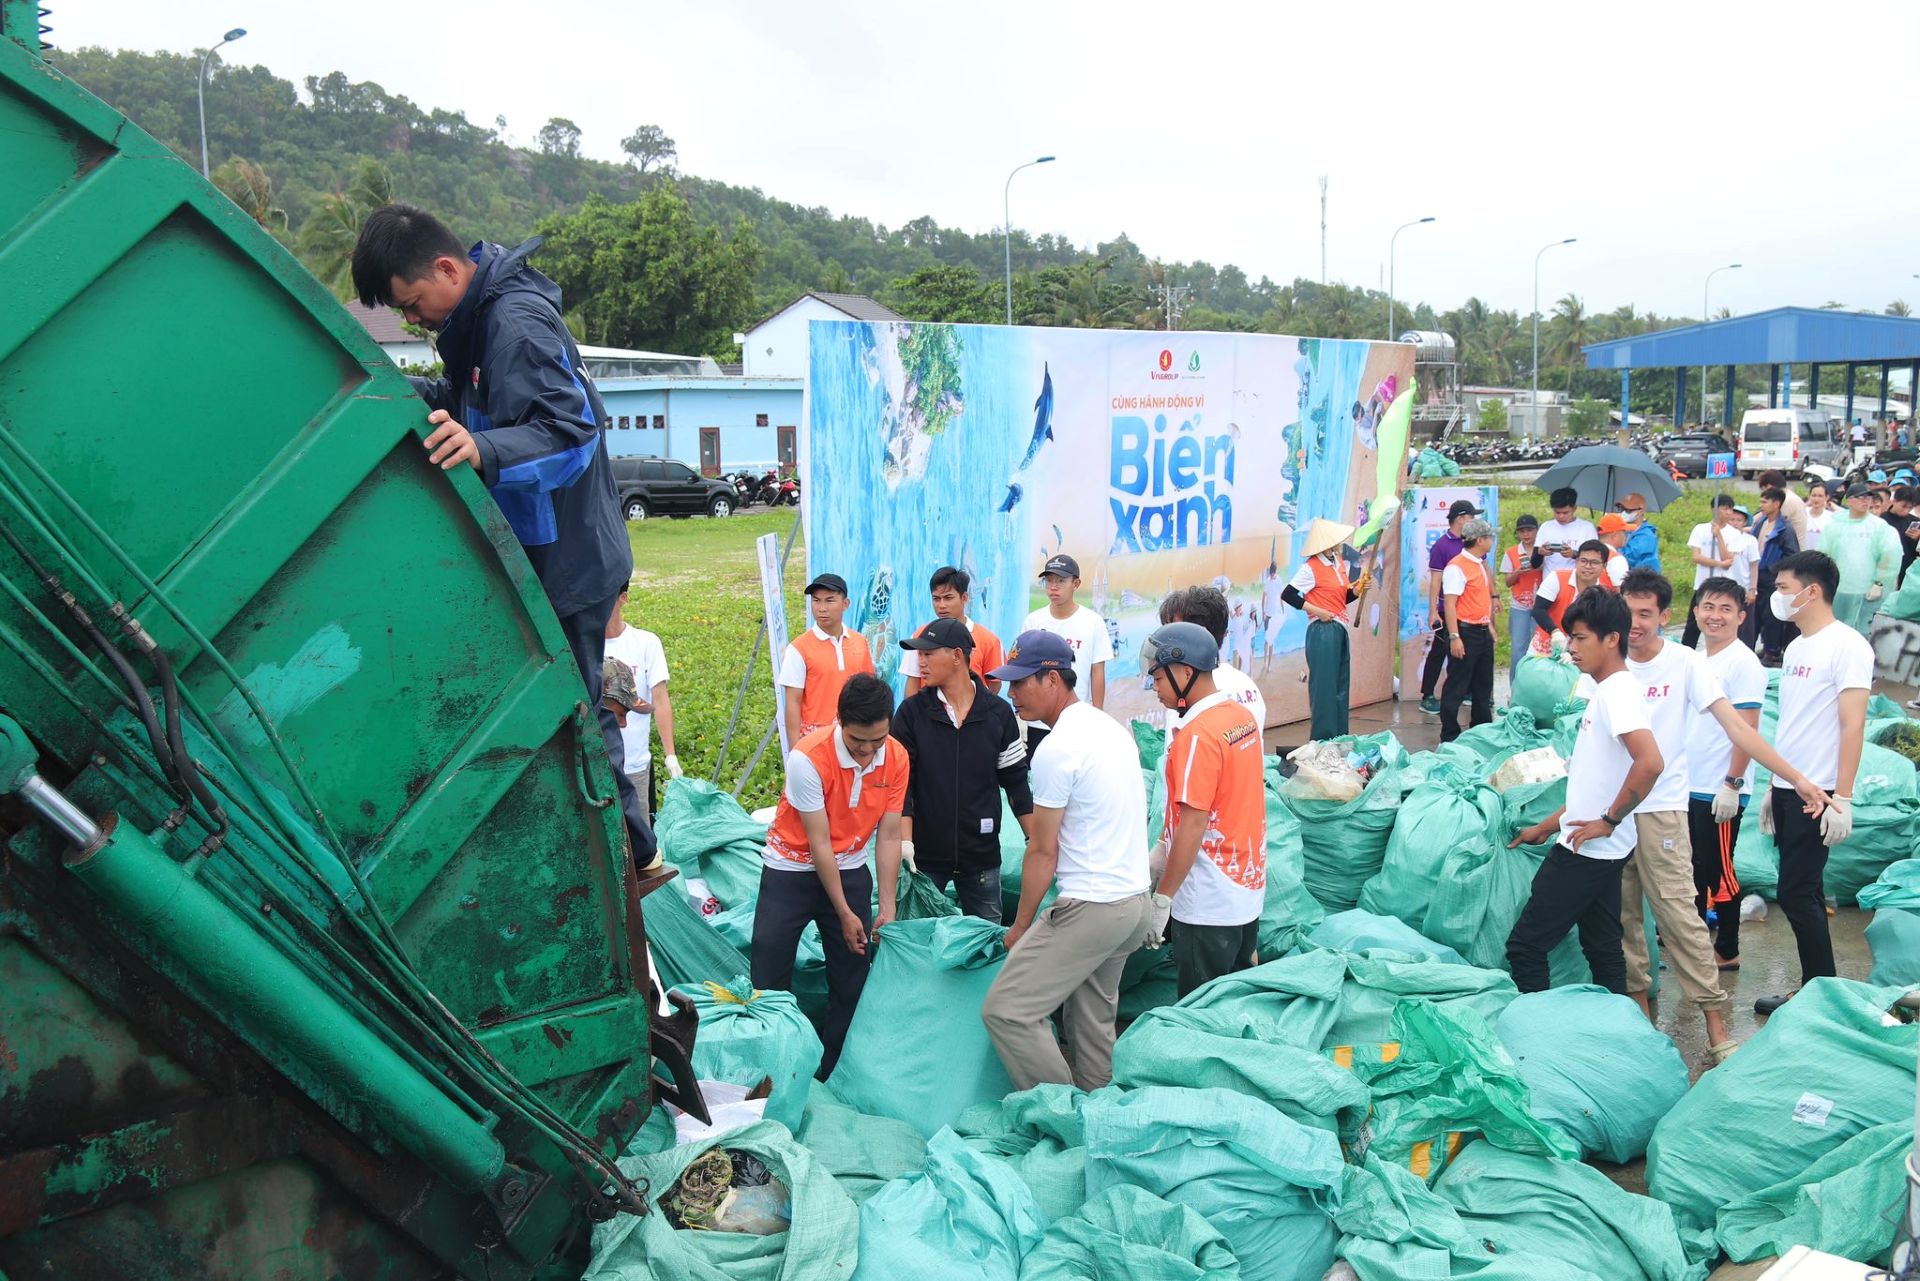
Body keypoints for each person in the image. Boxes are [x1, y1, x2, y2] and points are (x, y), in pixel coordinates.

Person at [353, 203, 649, 863]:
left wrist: (484, 450)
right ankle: (618, 843)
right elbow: (473, 406)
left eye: (410, 303)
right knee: (574, 700)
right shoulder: (476, 323)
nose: (411, 319)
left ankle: (626, 851)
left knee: (577, 709)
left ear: (448, 268)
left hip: (571, 559)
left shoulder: (513, 324)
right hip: (547, 556)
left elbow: (571, 435)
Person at [1614, 569, 1826, 1063]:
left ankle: (1716, 1016)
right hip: (1619, 813)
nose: (1636, 624)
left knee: (1687, 909)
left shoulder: (1690, 663)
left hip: (1675, 803)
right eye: (1629, 614)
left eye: (1646, 614)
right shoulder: (1610, 664)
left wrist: (1790, 778)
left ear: (1665, 617)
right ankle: (1643, 1022)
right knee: (1627, 921)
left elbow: (1742, 728)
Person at [982, 632, 1155, 1091]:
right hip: (1133, 901)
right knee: (1091, 1018)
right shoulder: (1109, 728)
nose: (1012, 693)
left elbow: (1042, 849)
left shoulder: (1057, 749)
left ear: (1052, 678)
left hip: (1093, 906)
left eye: (1020, 683)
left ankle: (1064, 1112)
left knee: (1007, 1009)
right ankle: (1098, 1114)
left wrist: (1019, 927)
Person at [1505, 590, 1659, 997]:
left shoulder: (1619, 694)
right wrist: (1545, 825)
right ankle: (1616, 1025)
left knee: (1525, 947)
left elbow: (1650, 763)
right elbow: (1597, 781)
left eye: (1580, 638)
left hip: (1586, 851)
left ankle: (1536, 1036)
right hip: (1595, 845)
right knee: (1603, 947)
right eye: (1570, 638)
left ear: (1612, 639)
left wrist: (1608, 821)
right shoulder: (1603, 690)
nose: (1571, 649)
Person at [752, 673, 906, 1073]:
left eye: (877, 741)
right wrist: (843, 912)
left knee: (852, 972)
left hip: (852, 866)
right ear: (839, 721)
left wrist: (885, 905)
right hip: (792, 867)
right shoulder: (807, 758)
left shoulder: (898, 757)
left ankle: (834, 1068)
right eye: (858, 742)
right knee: (769, 968)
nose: (868, 753)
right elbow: (818, 844)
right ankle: (772, 1067)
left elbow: (889, 836)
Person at [1753, 552, 1869, 1016]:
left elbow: (1853, 725)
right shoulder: (1798, 646)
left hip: (1819, 792)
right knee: (1802, 890)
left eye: (1783, 587)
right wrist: (1771, 784)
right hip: (1789, 787)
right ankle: (1818, 987)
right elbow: (1791, 725)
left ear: (1811, 591)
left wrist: (1843, 797)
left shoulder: (1848, 646)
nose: (1777, 597)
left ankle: (1820, 990)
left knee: (1799, 891)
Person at [1139, 623, 1267, 997]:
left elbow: (1193, 826)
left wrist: (1163, 898)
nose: (1155, 688)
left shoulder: (1196, 736)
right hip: (1245, 891)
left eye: (1158, 677)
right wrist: (1159, 851)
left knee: (1201, 1010)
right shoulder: (1239, 719)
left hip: (1207, 903)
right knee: (1236, 998)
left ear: (1184, 672)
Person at [891, 618, 1033, 922]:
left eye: (928, 654)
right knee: (918, 943)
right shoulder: (912, 714)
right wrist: (905, 843)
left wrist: (1035, 842)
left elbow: (1016, 783)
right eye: (920, 655)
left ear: (957, 656)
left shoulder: (997, 714)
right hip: (924, 861)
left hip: (981, 859)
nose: (921, 662)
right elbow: (902, 786)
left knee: (985, 947)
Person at [1685, 577, 1766, 972]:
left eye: (1725, 609)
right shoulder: (1700, 657)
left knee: (1721, 873)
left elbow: (1747, 729)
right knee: (1696, 869)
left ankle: (1728, 950)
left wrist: (1732, 783)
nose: (1715, 616)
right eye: (1708, 607)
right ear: (1697, 610)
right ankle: (1698, 944)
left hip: (1720, 787)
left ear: (1740, 616)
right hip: (1692, 784)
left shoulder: (1742, 662)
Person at [1279, 518, 1370, 739]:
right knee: (1324, 688)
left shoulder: (1338, 563)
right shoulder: (1310, 568)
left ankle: (1340, 738)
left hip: (1339, 627)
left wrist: (1357, 591)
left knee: (1340, 685)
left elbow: (1341, 597)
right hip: (1322, 630)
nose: (1339, 543)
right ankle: (1322, 740)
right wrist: (1317, 611)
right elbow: (1288, 594)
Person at [1021, 554, 1114, 753]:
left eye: (1061, 581)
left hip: (1077, 718)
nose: (1053, 587)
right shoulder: (1034, 621)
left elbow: (1097, 671)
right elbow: (1024, 669)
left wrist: (1097, 715)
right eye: (1049, 581)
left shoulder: (1093, 622)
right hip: (1040, 720)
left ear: (1076, 583)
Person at [605, 589, 680, 819]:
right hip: (600, 766)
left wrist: (671, 755)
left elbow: (660, 700)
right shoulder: (584, 646)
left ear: (623, 597)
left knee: (640, 837)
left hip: (635, 764)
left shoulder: (646, 642)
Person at [779, 573, 877, 749]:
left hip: (854, 738)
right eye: (816, 601)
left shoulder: (860, 642)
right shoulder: (798, 649)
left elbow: (868, 692)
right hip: (816, 742)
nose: (822, 608)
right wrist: (796, 750)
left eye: (829, 601)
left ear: (845, 604)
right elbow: (792, 702)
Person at [1158, 585, 1267, 731]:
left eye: (1173, 634)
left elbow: (1178, 753)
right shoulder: (1248, 685)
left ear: (1198, 637)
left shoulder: (1187, 696)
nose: (1167, 642)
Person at [900, 565, 1006, 696]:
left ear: (964, 598)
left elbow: (994, 685)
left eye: (948, 598)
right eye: (936, 599)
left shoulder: (989, 641)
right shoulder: (918, 637)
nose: (941, 605)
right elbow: (913, 681)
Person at [1438, 518, 1498, 743]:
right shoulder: (1457, 566)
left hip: (1481, 631)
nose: (1492, 541)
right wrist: (1454, 637)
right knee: (1457, 685)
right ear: (1480, 540)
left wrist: (1489, 625)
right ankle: (1450, 735)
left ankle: (1481, 732)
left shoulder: (1479, 563)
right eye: (1490, 537)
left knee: (1483, 686)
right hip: (1465, 632)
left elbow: (1479, 600)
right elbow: (1450, 605)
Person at [1418, 499, 1478, 716]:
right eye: (1472, 517)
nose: (1474, 521)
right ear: (1461, 518)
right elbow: (1435, 581)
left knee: (1468, 649)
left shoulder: (1472, 542)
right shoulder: (1442, 546)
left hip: (1470, 608)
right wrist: (1433, 610)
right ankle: (1427, 695)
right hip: (1447, 607)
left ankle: (1467, 691)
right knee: (1440, 650)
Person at [1821, 483, 1902, 634]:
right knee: (1836, 629)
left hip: (1867, 591)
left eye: (1868, 497)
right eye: (1861, 497)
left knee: (1863, 630)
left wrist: (1880, 583)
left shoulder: (1879, 527)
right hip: (1840, 588)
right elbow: (1824, 555)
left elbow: (1890, 556)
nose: (1866, 501)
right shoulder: (1834, 525)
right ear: (1849, 501)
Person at [1530, 540, 1613, 654]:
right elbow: (1538, 610)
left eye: (1594, 562)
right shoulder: (1557, 578)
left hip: (1578, 654)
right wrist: (1555, 632)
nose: (1587, 566)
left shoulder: (1603, 592)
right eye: (1583, 561)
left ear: (1604, 566)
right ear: (1576, 561)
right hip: (1544, 649)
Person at [1681, 497, 1741, 649]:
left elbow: (1728, 559)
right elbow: (1696, 556)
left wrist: (1719, 535)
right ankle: (1687, 652)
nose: (1729, 513)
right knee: (1692, 625)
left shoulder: (1734, 534)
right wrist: (1718, 564)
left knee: (1723, 622)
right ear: (1715, 509)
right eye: (1725, 508)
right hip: (1702, 583)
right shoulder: (1700, 529)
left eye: (1730, 509)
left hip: (1724, 585)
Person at [1749, 488, 1802, 662]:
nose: (1761, 505)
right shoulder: (1761, 522)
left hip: (1773, 578)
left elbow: (1792, 555)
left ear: (1776, 504)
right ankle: (1757, 647)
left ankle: (1772, 651)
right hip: (1757, 576)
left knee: (1772, 615)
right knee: (1755, 615)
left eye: (1765, 502)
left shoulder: (1785, 529)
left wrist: (1775, 569)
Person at [1502, 513, 1543, 679]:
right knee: (1518, 647)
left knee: (1540, 647)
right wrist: (1518, 572)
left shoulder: (1544, 551)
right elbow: (1507, 582)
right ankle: (1515, 687)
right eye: (1522, 531)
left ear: (1537, 531)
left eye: (1530, 530)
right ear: (1518, 534)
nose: (1526, 534)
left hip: (1541, 605)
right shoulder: (1511, 553)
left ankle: (1535, 685)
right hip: (1520, 605)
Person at [1537, 487, 1598, 576]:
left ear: (1574, 508)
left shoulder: (1587, 528)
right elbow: (1535, 562)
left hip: (1577, 580)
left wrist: (1573, 554)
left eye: (1565, 513)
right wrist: (1540, 552)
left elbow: (1594, 556)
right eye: (1557, 512)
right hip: (1550, 581)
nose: (1561, 516)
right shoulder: (1546, 527)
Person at [1756, 471, 1809, 547]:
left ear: (1769, 487)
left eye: (1763, 489)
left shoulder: (1786, 501)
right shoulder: (1789, 496)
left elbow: (1770, 524)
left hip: (1792, 551)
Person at [1881, 485, 1920, 587]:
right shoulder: (1882, 520)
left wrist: (1917, 538)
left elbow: (1916, 551)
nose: (1906, 510)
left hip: (1907, 569)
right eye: (1903, 506)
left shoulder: (1915, 521)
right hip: (1886, 567)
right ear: (1894, 501)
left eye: (1910, 507)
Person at [1617, 492, 1662, 571]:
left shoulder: (1646, 536)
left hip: (1643, 580)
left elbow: (1626, 558)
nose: (1623, 513)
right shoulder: (1624, 531)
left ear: (1640, 511)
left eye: (1628, 510)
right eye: (1621, 509)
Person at [1596, 514, 1633, 586]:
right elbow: (1621, 591)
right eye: (1624, 532)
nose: (1625, 536)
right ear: (1614, 534)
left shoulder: (1588, 552)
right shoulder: (1616, 559)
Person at [1804, 481, 1832, 551]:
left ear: (1826, 497)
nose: (1816, 499)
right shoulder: (1802, 513)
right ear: (1809, 496)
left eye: (1820, 496)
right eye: (1813, 495)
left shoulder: (1831, 517)